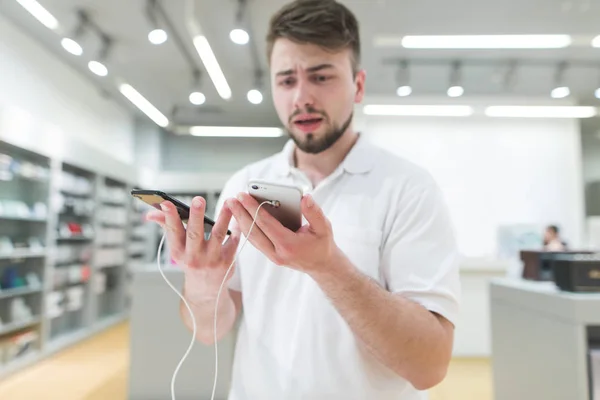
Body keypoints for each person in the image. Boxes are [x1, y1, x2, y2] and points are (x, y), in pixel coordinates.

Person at [147, 0, 461, 398]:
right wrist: (204, 282)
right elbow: (210, 330)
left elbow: (429, 365)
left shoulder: (408, 188)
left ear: (358, 85)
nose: (301, 98)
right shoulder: (246, 184)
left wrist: (329, 268)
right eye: (286, 81)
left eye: (321, 77)